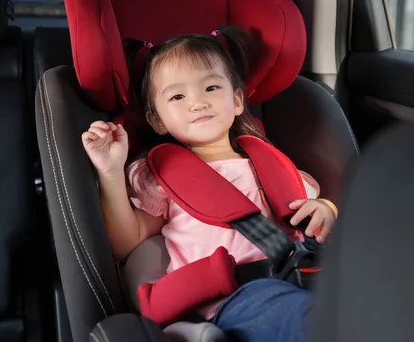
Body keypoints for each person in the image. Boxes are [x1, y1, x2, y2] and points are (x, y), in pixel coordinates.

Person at [81, 26, 337, 342]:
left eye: (211, 88)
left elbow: (313, 207)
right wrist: (110, 171)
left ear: (238, 100)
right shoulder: (163, 178)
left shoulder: (270, 162)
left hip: (306, 279)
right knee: (311, 321)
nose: (198, 102)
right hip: (235, 299)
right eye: (177, 95)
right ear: (157, 120)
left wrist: (325, 209)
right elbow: (125, 241)